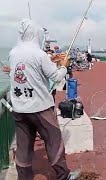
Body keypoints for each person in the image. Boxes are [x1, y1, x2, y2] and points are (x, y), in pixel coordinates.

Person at [6, 19, 80, 180]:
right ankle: (63, 175)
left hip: (19, 109)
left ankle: (24, 177)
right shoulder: (39, 54)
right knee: (54, 141)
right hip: (40, 108)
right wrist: (64, 66)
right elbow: (55, 76)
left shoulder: (13, 53)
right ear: (36, 34)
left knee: (23, 146)